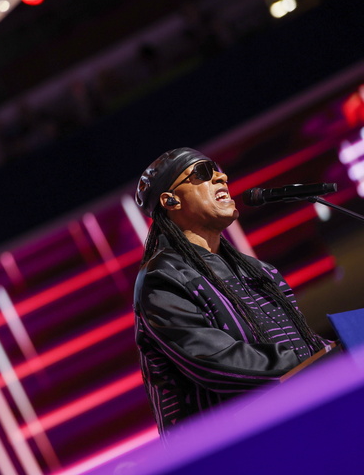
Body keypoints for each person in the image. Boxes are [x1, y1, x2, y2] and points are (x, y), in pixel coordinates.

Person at [133, 147, 333, 434]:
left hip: (300, 421)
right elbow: (216, 364)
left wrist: (330, 353)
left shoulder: (259, 270)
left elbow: (300, 338)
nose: (222, 177)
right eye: (203, 173)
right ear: (170, 200)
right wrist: (316, 361)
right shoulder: (162, 278)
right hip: (239, 448)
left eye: (218, 169)